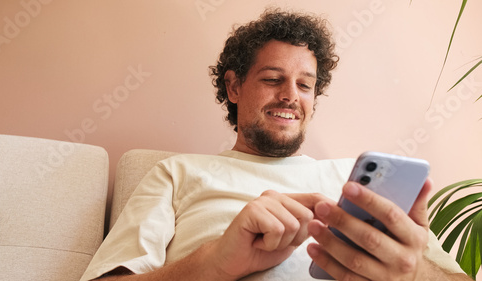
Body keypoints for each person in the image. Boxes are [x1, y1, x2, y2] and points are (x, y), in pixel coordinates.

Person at [81, 9, 471, 281]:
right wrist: (214, 264)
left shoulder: (354, 179)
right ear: (234, 87)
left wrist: (416, 272)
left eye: (304, 85)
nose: (290, 96)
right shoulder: (177, 173)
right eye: (272, 79)